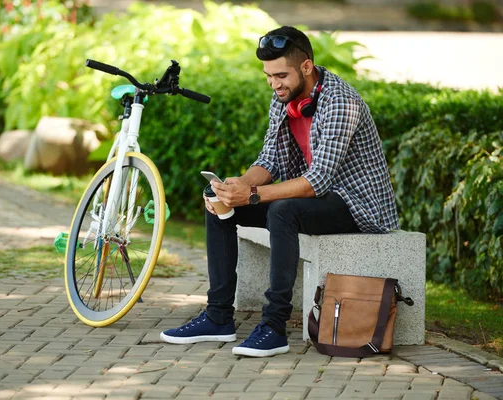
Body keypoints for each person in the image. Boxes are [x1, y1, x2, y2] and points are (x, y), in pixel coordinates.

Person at [159, 26, 399, 357]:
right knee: (218, 202)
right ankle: (218, 317)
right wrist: (238, 186)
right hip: (316, 198)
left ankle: (273, 327)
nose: (274, 84)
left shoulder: (341, 102)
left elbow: (319, 180)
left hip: (357, 206)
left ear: (306, 66)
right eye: (268, 76)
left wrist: (254, 195)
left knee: (282, 210)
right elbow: (270, 159)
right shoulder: (282, 97)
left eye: (281, 75)